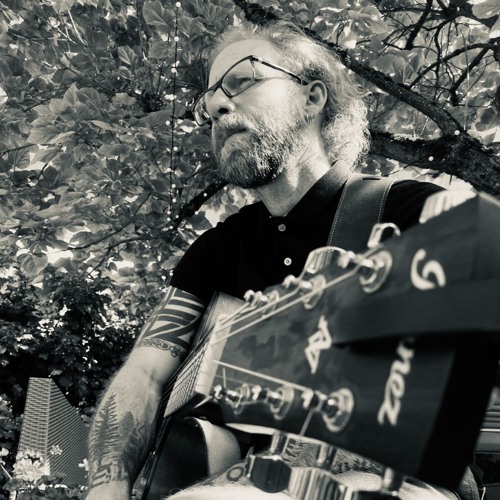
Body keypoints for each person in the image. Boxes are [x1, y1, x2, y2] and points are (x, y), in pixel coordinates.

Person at [85, 20, 480, 500]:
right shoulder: (217, 250)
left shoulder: (408, 210)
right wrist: (107, 487)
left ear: (312, 97)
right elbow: (144, 374)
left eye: (242, 80)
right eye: (209, 100)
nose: (217, 106)